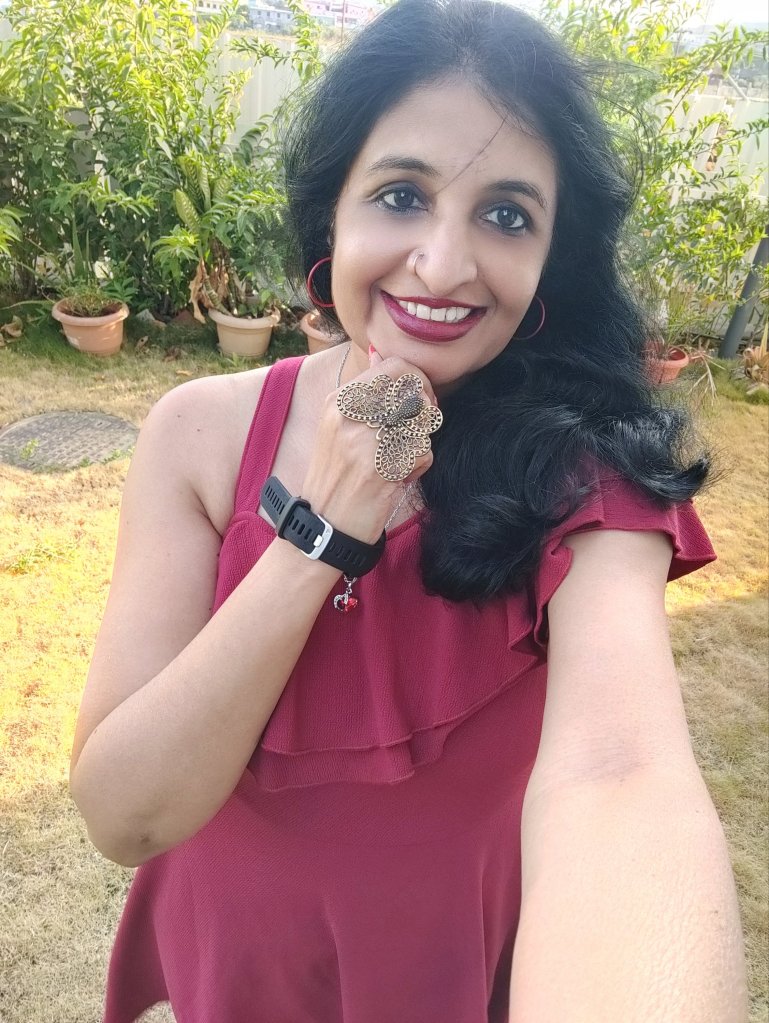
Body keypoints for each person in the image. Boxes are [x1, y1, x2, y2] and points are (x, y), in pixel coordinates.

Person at [69, 1, 748, 1020]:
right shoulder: (198, 434)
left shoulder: (586, 467)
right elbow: (126, 814)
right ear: (331, 214)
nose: (443, 263)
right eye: (400, 195)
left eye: (506, 215)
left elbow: (622, 779)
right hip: (243, 968)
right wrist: (323, 530)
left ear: (551, 256)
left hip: (447, 973)